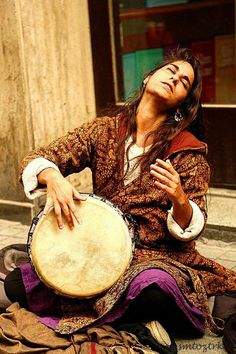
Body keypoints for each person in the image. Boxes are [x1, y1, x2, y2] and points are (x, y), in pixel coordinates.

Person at [1, 48, 236, 352]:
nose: (175, 79)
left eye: (184, 82)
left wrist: (179, 197)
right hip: (99, 252)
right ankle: (132, 320)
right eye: (171, 71)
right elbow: (39, 158)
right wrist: (54, 178)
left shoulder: (186, 151)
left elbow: (194, 223)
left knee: (154, 290)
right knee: (17, 283)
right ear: (149, 77)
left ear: (182, 103)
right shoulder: (104, 131)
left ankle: (116, 312)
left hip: (157, 257)